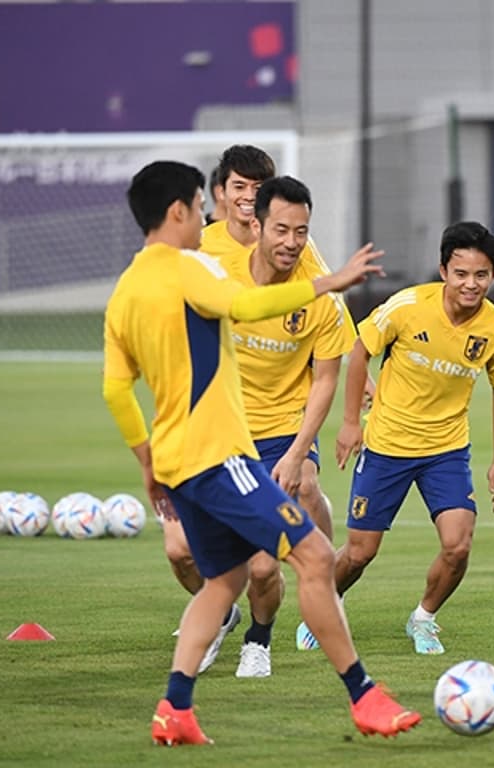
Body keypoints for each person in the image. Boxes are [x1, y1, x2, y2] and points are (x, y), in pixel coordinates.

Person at [102, 160, 420, 744]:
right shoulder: (189, 267)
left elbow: (115, 390)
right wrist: (330, 282)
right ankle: (364, 696)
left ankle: (176, 708)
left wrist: (148, 463)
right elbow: (246, 307)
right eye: (202, 205)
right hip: (218, 457)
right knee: (319, 559)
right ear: (177, 211)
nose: (211, 216)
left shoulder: (125, 290)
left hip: (176, 461)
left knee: (222, 582)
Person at [295, 221, 494, 656]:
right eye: (461, 273)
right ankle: (324, 606)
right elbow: (359, 349)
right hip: (386, 448)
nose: (471, 284)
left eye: (481, 275)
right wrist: (349, 423)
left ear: (492, 276)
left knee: (458, 546)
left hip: (446, 451)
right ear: (443, 271)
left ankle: (424, 618)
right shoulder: (407, 306)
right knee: (360, 554)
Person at [161, 145, 347, 674]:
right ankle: (221, 610)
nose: (290, 240)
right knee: (179, 551)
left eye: (300, 231)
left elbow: (329, 364)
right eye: (237, 188)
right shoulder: (208, 258)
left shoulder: (314, 278)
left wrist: (300, 449)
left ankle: (259, 640)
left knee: (268, 561)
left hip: (280, 427)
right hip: (213, 428)